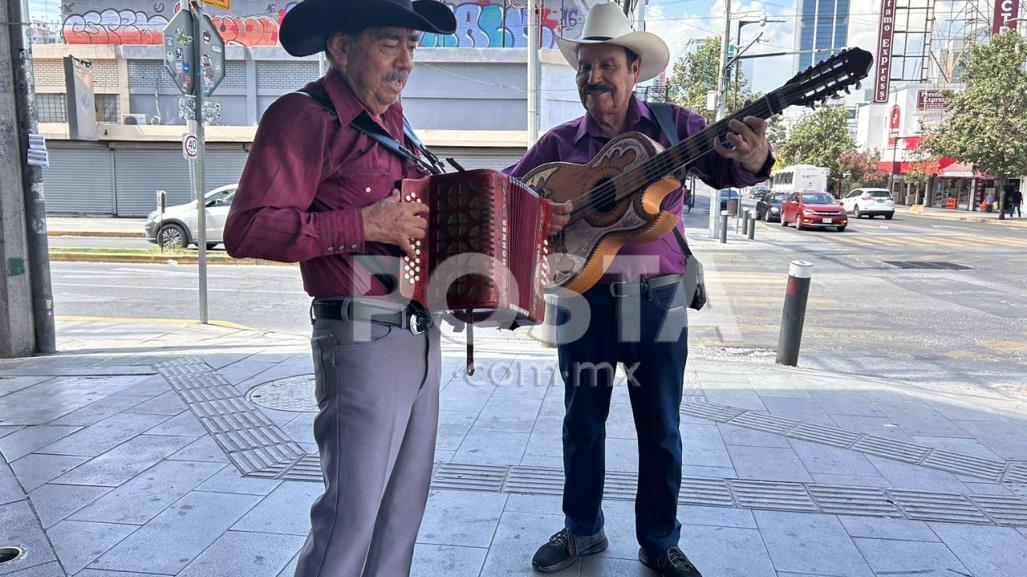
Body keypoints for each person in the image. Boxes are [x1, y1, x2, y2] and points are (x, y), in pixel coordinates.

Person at [504, 4, 773, 577]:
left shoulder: (676, 127)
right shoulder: (558, 144)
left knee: (660, 426)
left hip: (657, 297)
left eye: (607, 65)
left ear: (634, 71)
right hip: (582, 298)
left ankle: (659, 540)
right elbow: (508, 194)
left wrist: (755, 156)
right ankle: (582, 531)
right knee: (582, 421)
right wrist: (541, 213)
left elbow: (734, 170)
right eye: (585, 67)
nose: (594, 77)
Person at [223, 2, 459, 576]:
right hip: (359, 335)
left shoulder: (398, 127)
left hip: (420, 335)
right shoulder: (303, 116)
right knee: (349, 522)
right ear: (341, 46)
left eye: (412, 44)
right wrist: (365, 224)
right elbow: (246, 230)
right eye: (388, 43)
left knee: (401, 518)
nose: (405, 60)